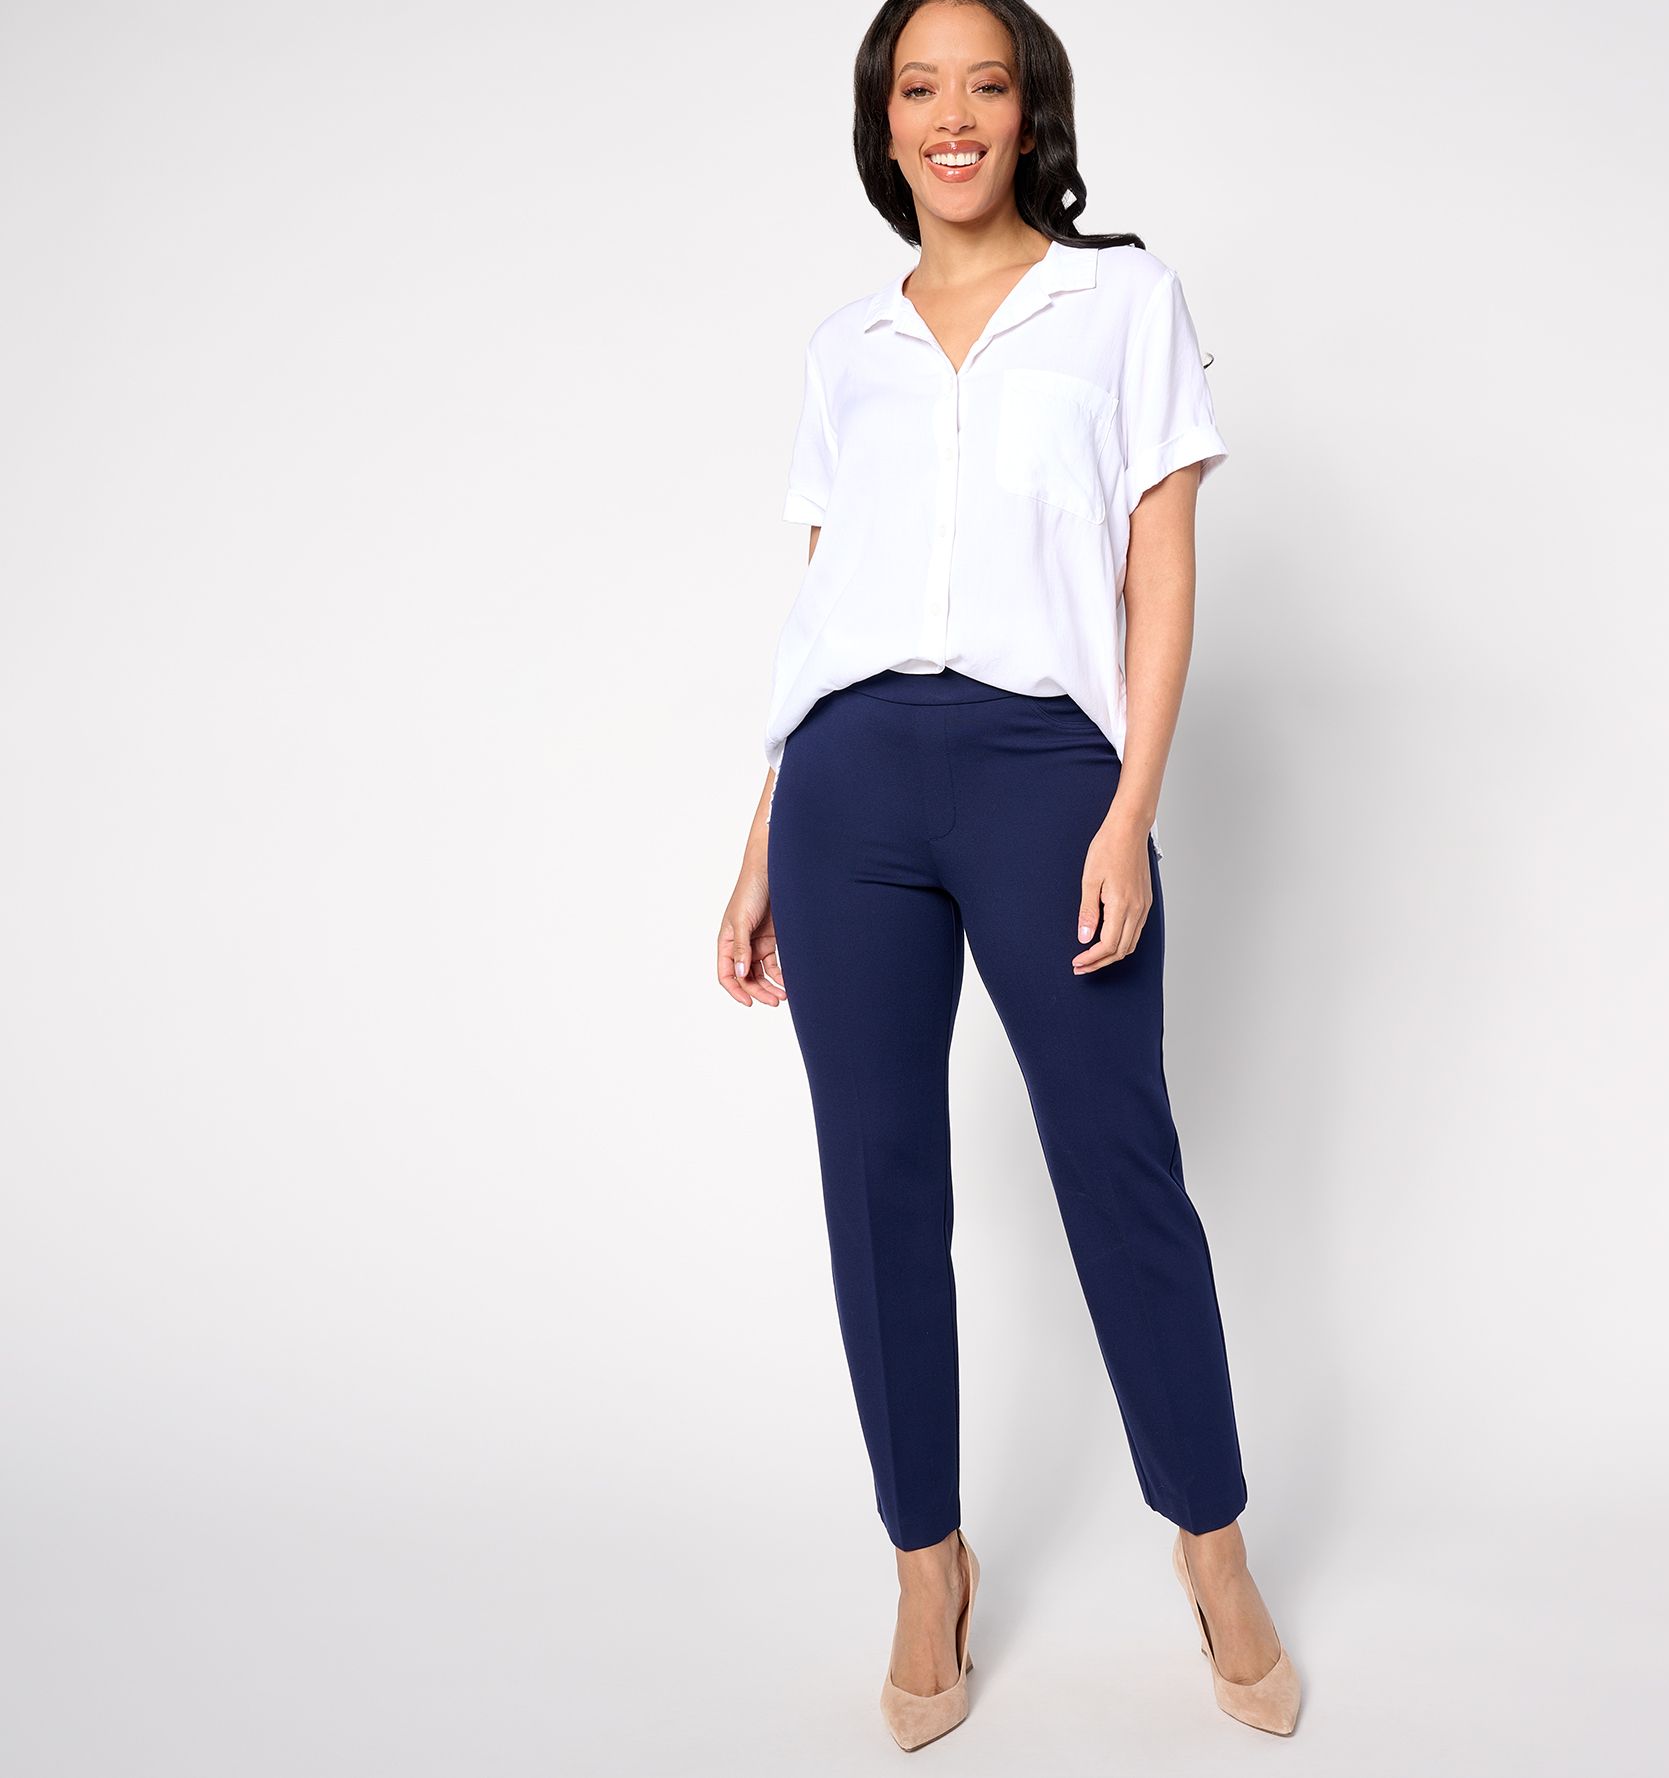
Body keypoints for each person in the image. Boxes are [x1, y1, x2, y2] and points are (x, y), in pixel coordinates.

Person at [715, 0, 1299, 1748]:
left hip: (1047, 772)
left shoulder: (1121, 304)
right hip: (846, 785)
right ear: (885, 122)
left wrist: (1129, 808)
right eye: (920, 87)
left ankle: (1212, 1545)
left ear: (1030, 111)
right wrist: (759, 833)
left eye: (984, 83)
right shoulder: (848, 349)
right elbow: (827, 600)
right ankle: (928, 1561)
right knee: (877, 1183)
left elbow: (1160, 569)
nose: (952, 114)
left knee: (1119, 1166)